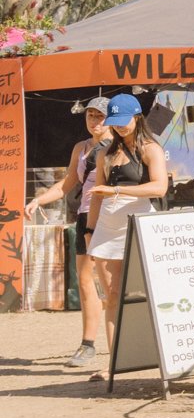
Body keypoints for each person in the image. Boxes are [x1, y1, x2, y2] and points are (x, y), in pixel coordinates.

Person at [83, 94, 171, 365]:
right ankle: (115, 362)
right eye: (116, 122)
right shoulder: (106, 154)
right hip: (108, 228)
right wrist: (90, 231)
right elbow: (97, 195)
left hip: (141, 226)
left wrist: (117, 190)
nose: (120, 127)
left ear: (137, 117)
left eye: (125, 121)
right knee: (112, 296)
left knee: (152, 292)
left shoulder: (150, 148)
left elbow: (159, 187)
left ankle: (160, 352)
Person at [27, 96, 110, 367]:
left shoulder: (118, 145)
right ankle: (87, 344)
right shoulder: (82, 147)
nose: (95, 121)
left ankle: (117, 349)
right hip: (85, 215)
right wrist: (39, 199)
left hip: (110, 216)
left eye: (100, 116)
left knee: (110, 284)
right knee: (85, 281)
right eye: (90, 116)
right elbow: (67, 183)